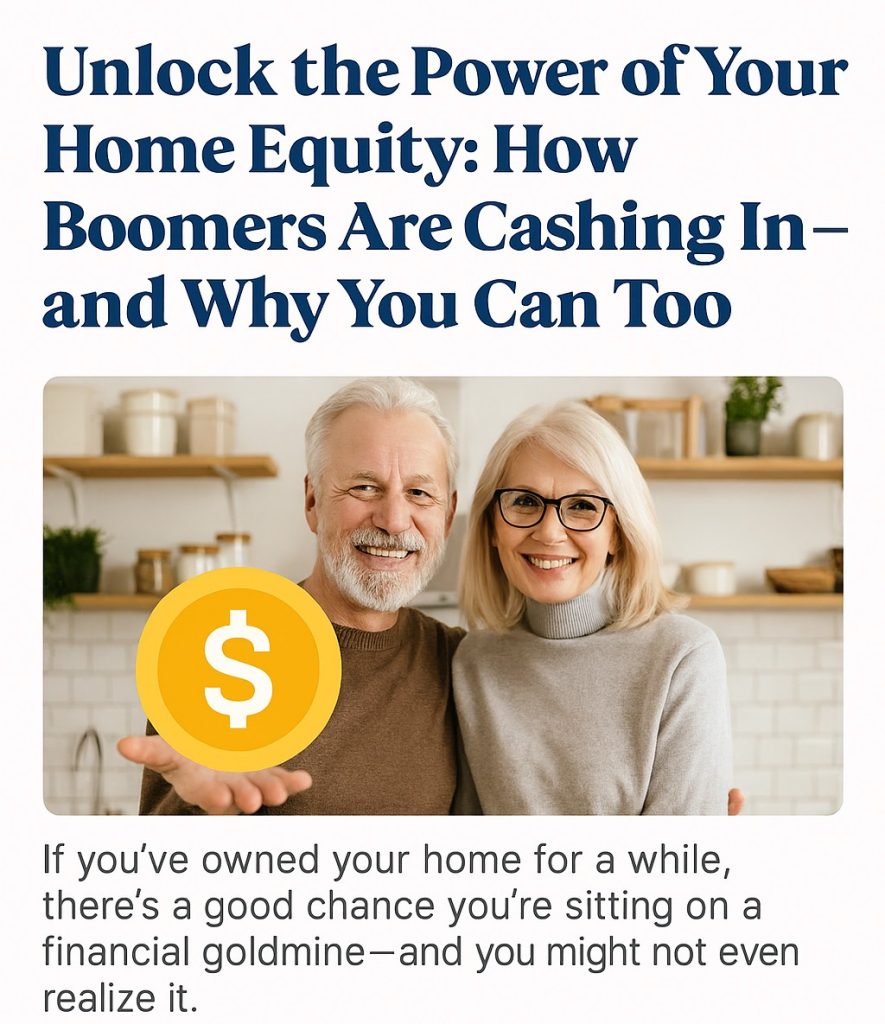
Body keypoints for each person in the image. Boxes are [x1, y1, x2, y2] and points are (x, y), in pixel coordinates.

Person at [118, 378, 463, 814]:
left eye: (418, 492)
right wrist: (206, 816)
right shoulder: (219, 648)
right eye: (364, 487)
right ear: (313, 501)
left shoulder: (460, 667)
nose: (394, 520)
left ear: (447, 515)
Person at [453, 399, 733, 814]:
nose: (549, 533)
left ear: (617, 534)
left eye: (583, 506)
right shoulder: (472, 664)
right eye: (525, 502)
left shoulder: (683, 657)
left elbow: (677, 864)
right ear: (492, 526)